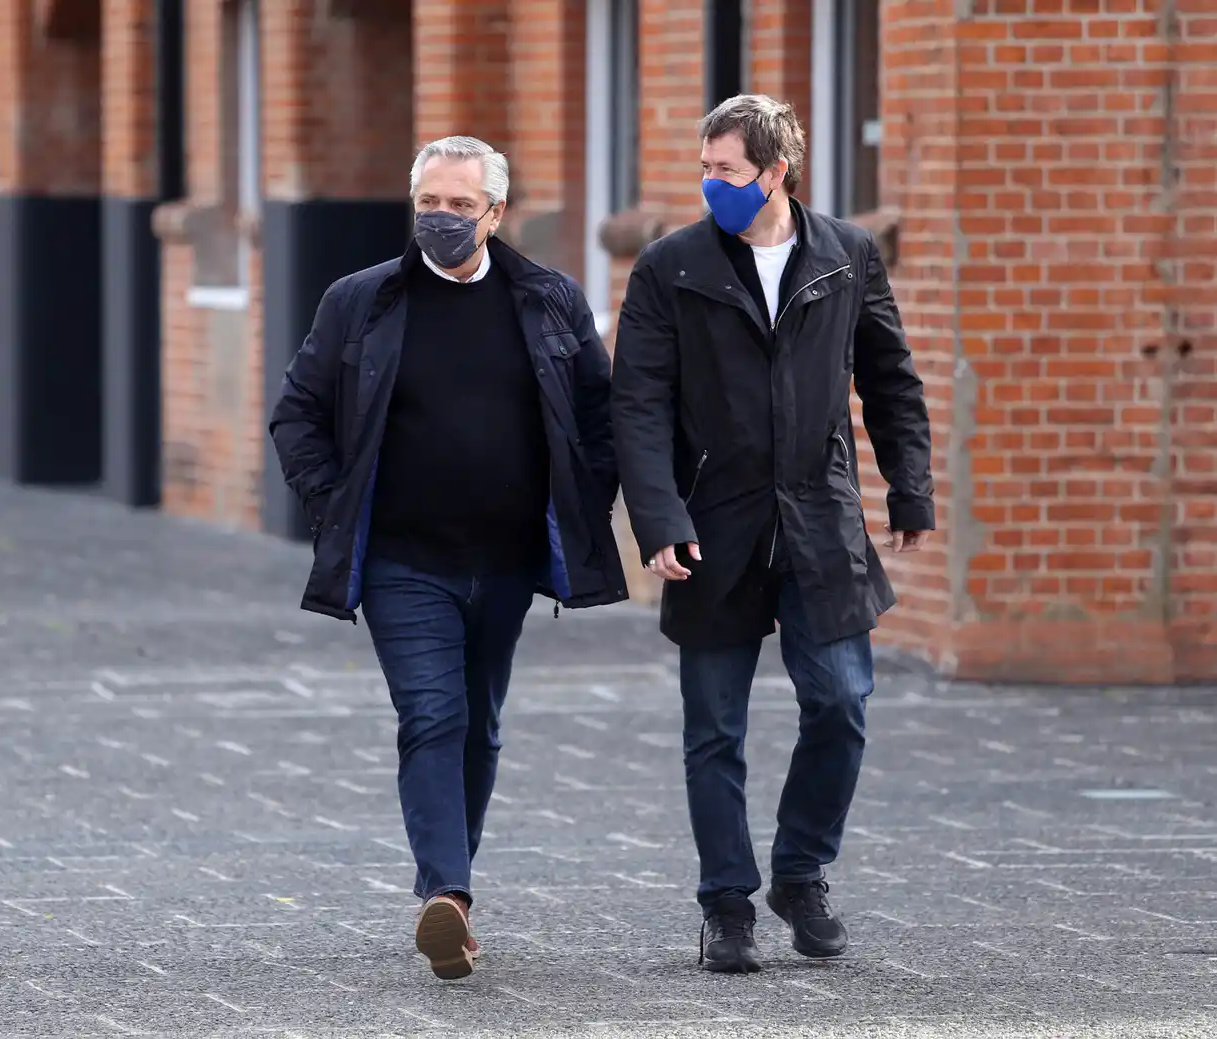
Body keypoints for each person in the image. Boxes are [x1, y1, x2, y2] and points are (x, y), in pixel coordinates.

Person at [269, 135, 628, 980]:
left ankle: (450, 895)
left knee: (481, 722)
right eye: (428, 202)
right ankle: (448, 894)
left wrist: (587, 501)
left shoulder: (548, 301)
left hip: (504, 561)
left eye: (460, 207)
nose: (441, 219)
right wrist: (335, 501)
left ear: (495, 214)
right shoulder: (361, 302)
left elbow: (602, 415)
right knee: (433, 715)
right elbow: (297, 413)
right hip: (402, 560)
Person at [610, 95, 935, 974]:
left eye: (726, 170)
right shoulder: (669, 267)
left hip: (820, 516)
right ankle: (726, 904)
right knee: (714, 726)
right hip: (712, 522)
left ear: (776, 172)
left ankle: (800, 871)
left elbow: (891, 378)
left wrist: (910, 486)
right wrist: (660, 520)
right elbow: (636, 405)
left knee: (841, 700)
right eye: (705, 168)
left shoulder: (845, 255)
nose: (709, 183)